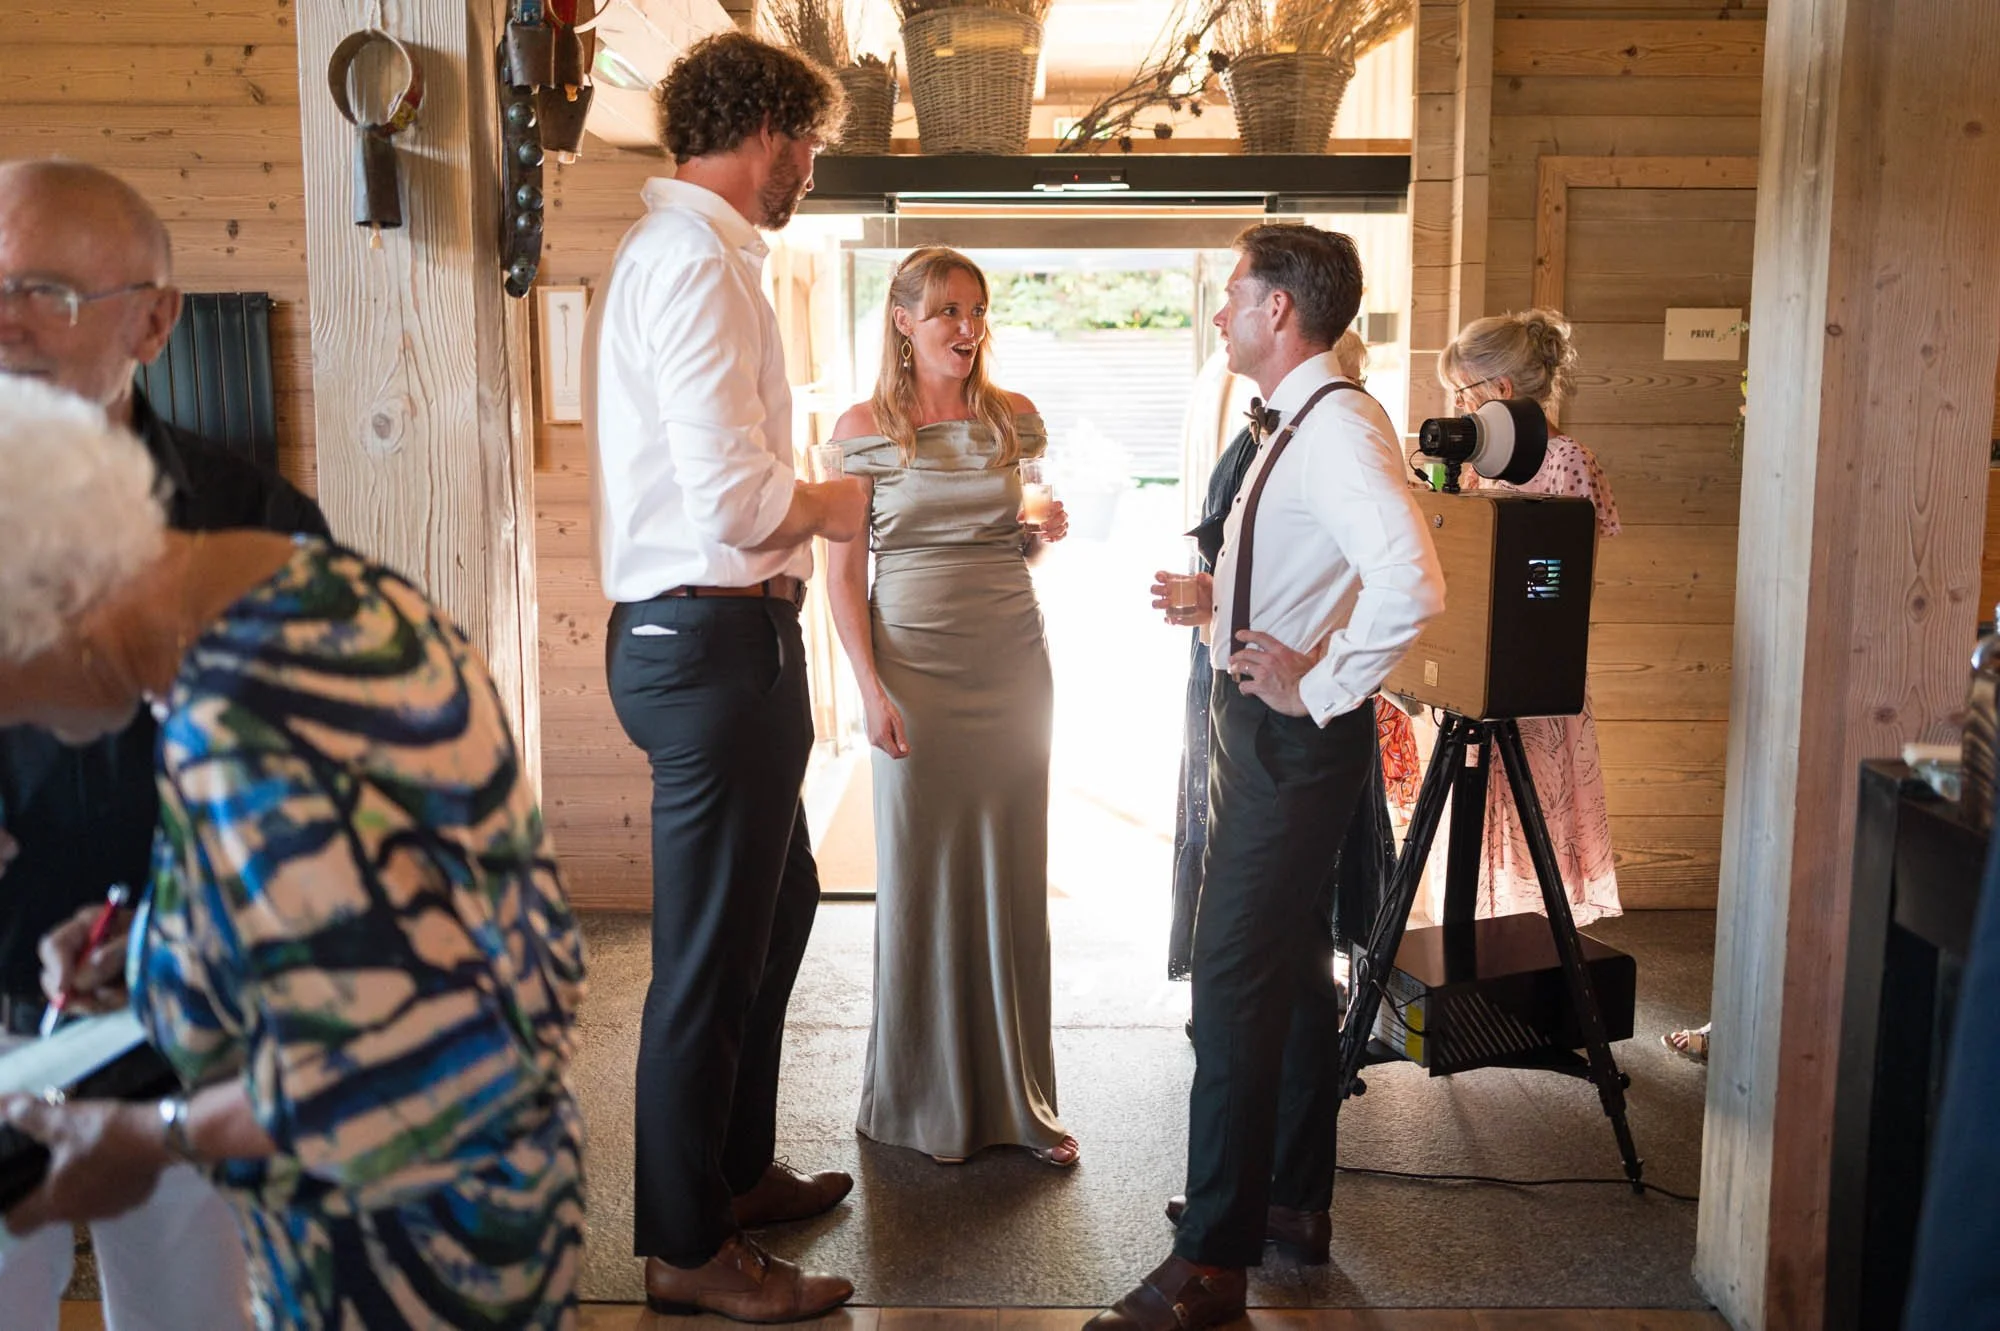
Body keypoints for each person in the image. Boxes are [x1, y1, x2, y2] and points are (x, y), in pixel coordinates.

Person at [0, 374, 589, 1329]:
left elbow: (399, 1064)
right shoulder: (315, 589)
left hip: (398, 1248)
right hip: (494, 1197)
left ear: (60, 598)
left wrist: (148, 1138)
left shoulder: (232, 720)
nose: (28, 723)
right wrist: (162, 945)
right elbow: (381, 906)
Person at [0, 157, 328, 1331]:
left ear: (154, 317)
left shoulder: (261, 528)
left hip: (181, 1025)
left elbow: (315, 790)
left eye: (45, 289)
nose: (5, 324)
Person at [1096, 225, 1444, 1330]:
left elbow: (1410, 579)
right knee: (1289, 973)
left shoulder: (1336, 429)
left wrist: (1320, 681)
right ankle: (1285, 1202)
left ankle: (1208, 1265)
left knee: (1231, 985)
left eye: (1233, 293)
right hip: (1263, 732)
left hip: (1292, 742)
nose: (1218, 312)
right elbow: (1320, 565)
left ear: (1280, 310)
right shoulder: (1298, 420)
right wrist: (1219, 608)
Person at [583, 31, 870, 1322]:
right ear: (764, 127)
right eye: (806, 139)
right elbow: (742, 499)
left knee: (783, 908)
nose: (808, 164)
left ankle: (736, 1171)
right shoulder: (694, 263)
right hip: (704, 643)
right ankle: (685, 1245)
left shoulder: (703, 257)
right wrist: (837, 501)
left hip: (719, 639)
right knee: (705, 957)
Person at [824, 246, 1079, 1168]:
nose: (966, 328)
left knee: (1012, 869)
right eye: (945, 312)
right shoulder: (864, 428)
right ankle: (923, 1097)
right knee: (924, 872)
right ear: (903, 321)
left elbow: (1013, 545)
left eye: (975, 310)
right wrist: (868, 686)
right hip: (914, 667)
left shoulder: (1015, 420)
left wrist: (1037, 533)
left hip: (1011, 660)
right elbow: (844, 570)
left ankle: (1021, 1097)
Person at [1438, 309, 1622, 927]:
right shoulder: (1473, 464)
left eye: (1464, 393)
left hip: (1536, 672)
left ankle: (1531, 938)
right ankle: (1480, 933)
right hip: (1475, 665)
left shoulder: (1570, 459)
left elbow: (1572, 582)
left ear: (1500, 392)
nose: (1459, 408)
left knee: (1536, 807)